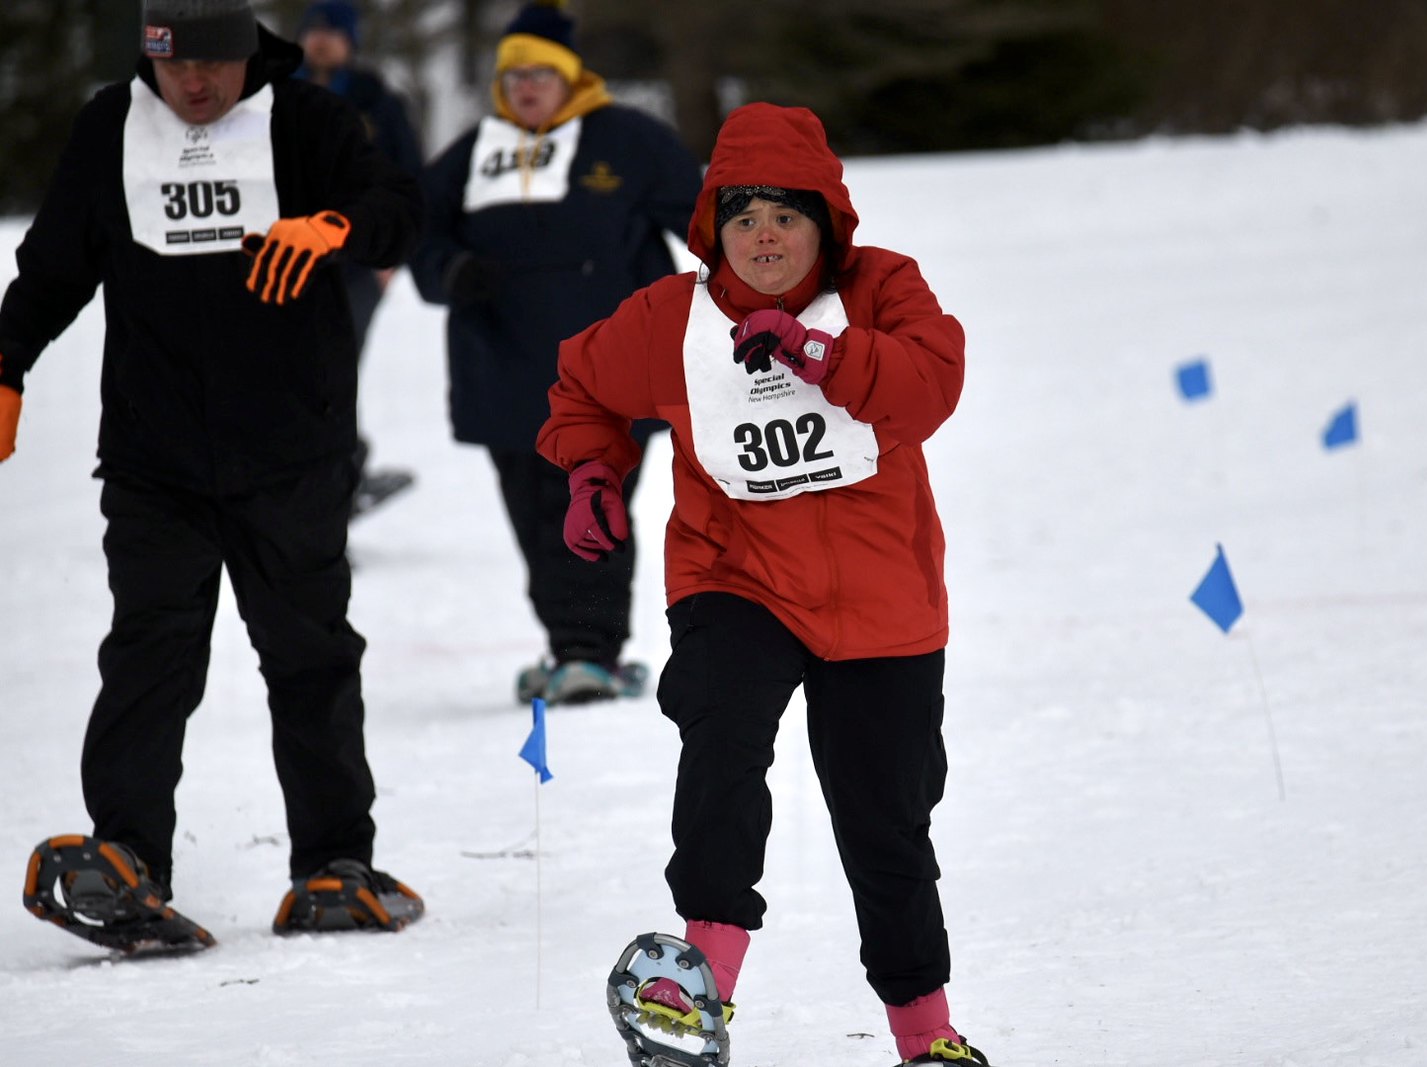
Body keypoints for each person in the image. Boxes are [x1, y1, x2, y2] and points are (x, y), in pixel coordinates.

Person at [537, 103, 990, 1065]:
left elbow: (931, 384)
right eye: (742, 220)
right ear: (712, 231)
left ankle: (928, 1037)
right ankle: (693, 994)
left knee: (887, 817)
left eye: (787, 216)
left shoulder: (881, 289)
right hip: (733, 571)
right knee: (722, 744)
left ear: (827, 222)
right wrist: (589, 471)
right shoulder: (673, 319)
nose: (765, 237)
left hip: (882, 595)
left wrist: (818, 352)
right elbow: (581, 386)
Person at [2, 0, 424, 948]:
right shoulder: (113, 125)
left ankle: (334, 861)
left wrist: (337, 228)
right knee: (149, 655)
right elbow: (56, 263)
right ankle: (126, 859)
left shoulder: (307, 121)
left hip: (292, 454)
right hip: (156, 459)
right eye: (172, 66)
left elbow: (401, 209)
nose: (194, 85)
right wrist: (6, 361)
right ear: (148, 56)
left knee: (310, 658)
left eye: (213, 67)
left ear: (249, 56)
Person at [410, 0, 702, 707]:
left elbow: (707, 221)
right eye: (515, 77)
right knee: (535, 520)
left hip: (611, 377)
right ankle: (567, 644)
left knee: (593, 505)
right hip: (504, 373)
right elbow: (417, 230)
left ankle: (589, 652)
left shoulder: (628, 140)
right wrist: (450, 270)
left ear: (572, 77)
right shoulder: (475, 150)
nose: (527, 88)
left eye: (542, 74)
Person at [295, 0, 424, 519]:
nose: (321, 40)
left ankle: (335, 490)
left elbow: (408, 180)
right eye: (313, 30)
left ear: (351, 41)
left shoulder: (378, 104)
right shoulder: (275, 94)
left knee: (333, 374)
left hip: (356, 267)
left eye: (332, 31)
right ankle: (313, 484)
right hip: (288, 259)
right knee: (289, 375)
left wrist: (392, 252)